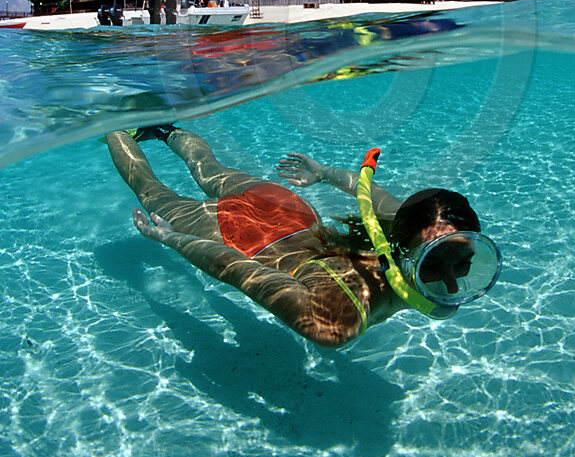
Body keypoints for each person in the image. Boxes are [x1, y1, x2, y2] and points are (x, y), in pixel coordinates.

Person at [106, 127, 501, 349]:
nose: (451, 286)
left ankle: (164, 129)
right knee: (154, 194)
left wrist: (324, 172)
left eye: (465, 264)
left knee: (208, 170)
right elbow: (234, 268)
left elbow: (369, 194)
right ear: (398, 250)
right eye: (433, 262)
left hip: (289, 209)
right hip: (247, 238)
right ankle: (113, 123)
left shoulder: (407, 225)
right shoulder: (334, 322)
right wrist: (169, 238)